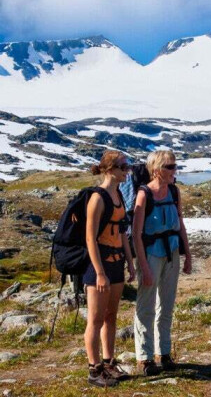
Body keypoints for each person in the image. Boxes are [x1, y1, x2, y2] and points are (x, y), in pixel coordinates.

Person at [132, 150, 192, 375]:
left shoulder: (174, 192)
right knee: (146, 306)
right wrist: (144, 268)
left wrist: (188, 255)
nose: (174, 170)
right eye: (169, 166)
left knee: (166, 304)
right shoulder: (144, 194)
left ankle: (163, 353)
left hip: (172, 253)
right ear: (156, 169)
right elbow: (136, 235)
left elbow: (181, 224)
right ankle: (145, 357)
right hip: (150, 255)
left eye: (174, 166)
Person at [84, 150, 136, 388]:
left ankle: (108, 363)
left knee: (111, 316)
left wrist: (130, 262)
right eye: (123, 167)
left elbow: (123, 232)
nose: (127, 171)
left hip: (117, 262)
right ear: (109, 170)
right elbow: (90, 238)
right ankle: (94, 369)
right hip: (100, 264)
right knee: (95, 319)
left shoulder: (119, 195)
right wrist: (100, 272)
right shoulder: (98, 197)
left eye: (127, 167)